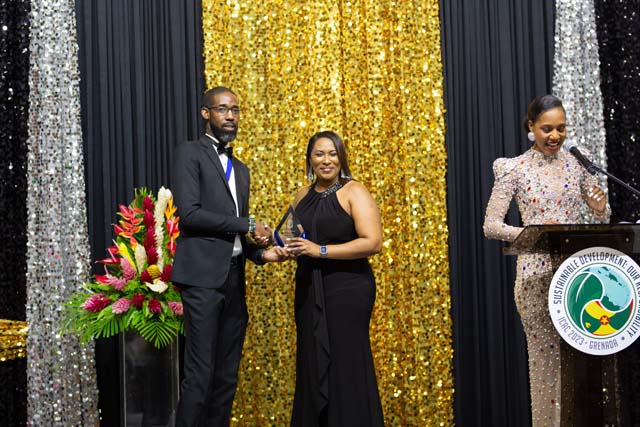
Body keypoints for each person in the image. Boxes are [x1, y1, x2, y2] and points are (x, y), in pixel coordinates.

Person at [483, 95, 610, 426]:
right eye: (547, 129)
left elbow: (603, 215)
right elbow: (491, 226)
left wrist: (600, 208)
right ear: (531, 127)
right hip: (536, 278)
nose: (555, 136)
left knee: (583, 367)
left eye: (561, 128)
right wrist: (535, 233)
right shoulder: (514, 168)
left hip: (579, 277)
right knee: (546, 368)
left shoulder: (578, 163)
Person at [171, 86, 288, 427]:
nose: (231, 116)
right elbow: (190, 214)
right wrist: (248, 223)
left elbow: (233, 235)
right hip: (202, 281)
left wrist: (262, 254)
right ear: (206, 113)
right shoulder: (189, 153)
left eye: (235, 109)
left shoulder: (241, 169)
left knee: (226, 377)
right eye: (222, 109)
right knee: (200, 375)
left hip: (234, 279)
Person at [283, 130, 385, 427]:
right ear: (310, 159)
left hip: (347, 288)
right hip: (309, 287)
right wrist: (273, 244)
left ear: (341, 157)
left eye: (332, 153)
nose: (326, 160)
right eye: (319, 154)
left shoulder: (354, 191)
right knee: (312, 362)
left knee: (345, 363)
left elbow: (373, 242)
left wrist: (320, 250)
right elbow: (290, 238)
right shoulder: (302, 195)